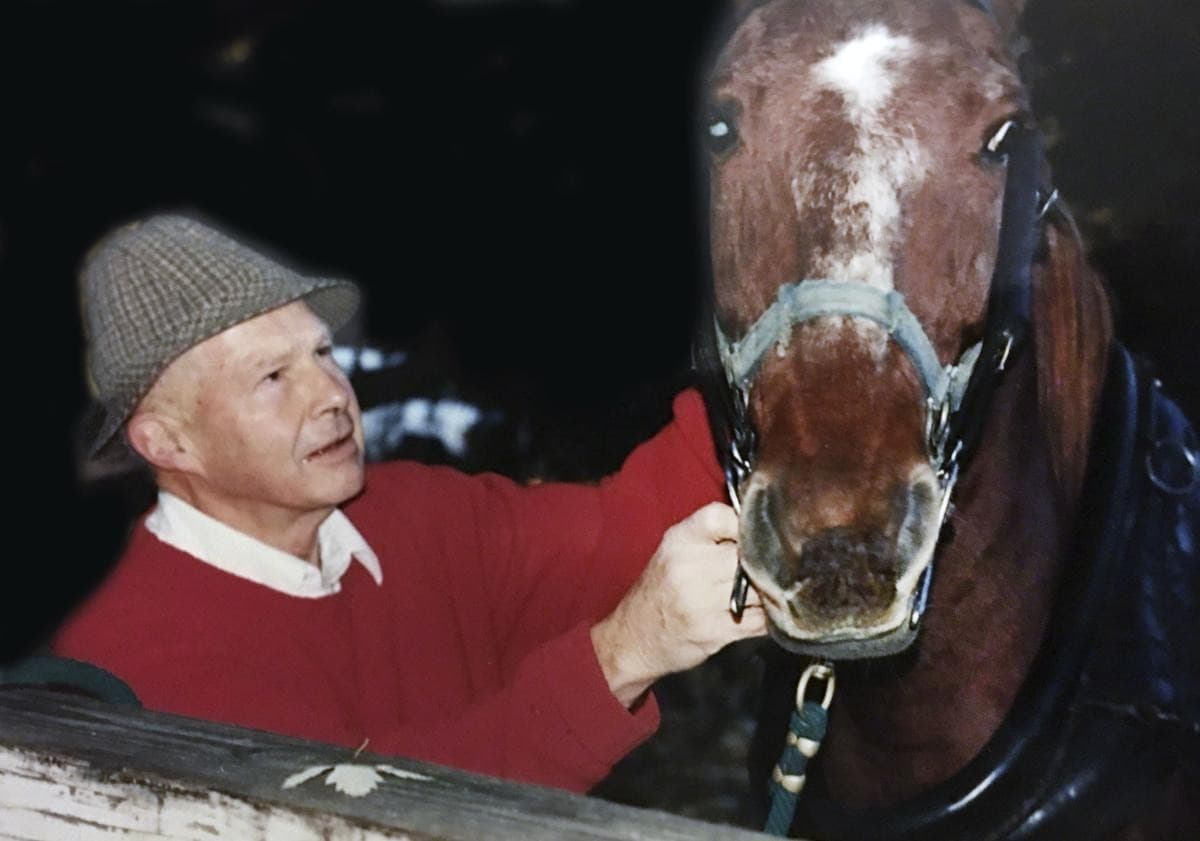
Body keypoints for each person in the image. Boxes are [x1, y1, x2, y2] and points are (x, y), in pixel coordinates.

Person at [52, 213, 766, 793]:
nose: (332, 395)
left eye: (323, 354)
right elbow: (361, 809)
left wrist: (775, 385)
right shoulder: (133, 653)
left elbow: (616, 534)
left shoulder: (406, 513)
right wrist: (623, 654)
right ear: (167, 442)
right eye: (272, 377)